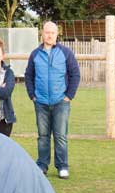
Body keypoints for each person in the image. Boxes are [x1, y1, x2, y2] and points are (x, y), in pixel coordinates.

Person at [25, 21, 80, 178]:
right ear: (42, 33)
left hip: (60, 102)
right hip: (40, 102)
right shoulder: (35, 54)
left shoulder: (65, 53)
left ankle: (62, 166)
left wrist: (68, 96)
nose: (49, 35)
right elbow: (28, 75)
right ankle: (42, 165)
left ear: (57, 34)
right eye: (46, 32)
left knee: (60, 136)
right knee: (43, 136)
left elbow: (75, 74)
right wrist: (32, 95)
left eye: (52, 33)